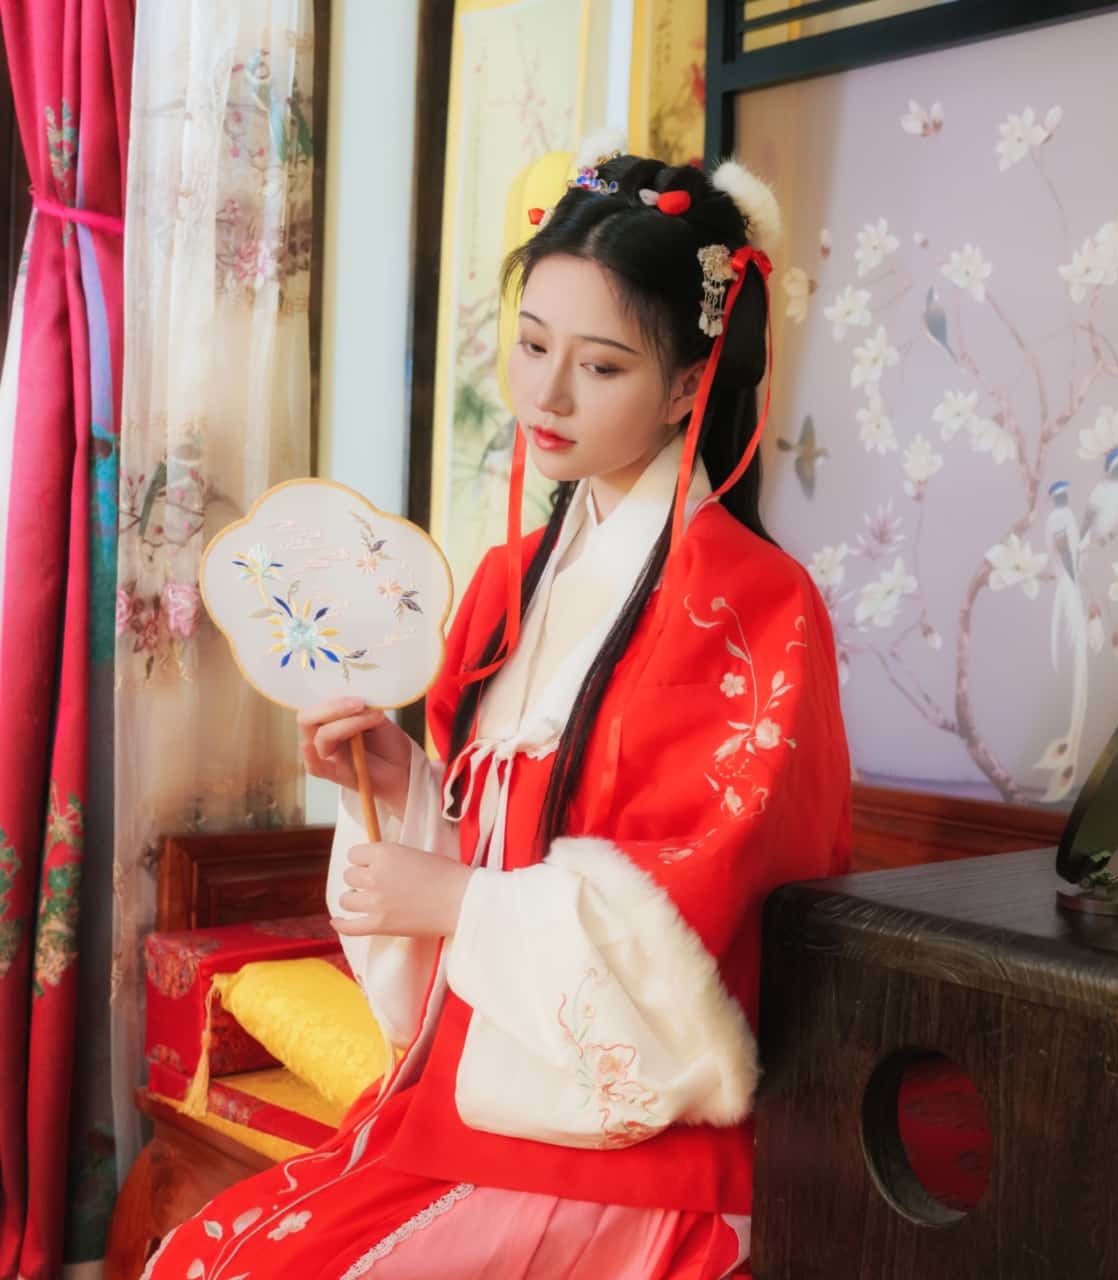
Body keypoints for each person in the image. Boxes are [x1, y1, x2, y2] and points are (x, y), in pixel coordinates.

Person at [142, 143, 851, 1280]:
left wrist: (456, 897)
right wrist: (401, 788)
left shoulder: (759, 605)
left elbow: (708, 909)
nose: (546, 395)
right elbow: (484, 837)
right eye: (531, 345)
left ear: (687, 386)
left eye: (601, 365)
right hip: (466, 1087)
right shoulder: (503, 584)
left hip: (634, 1146)